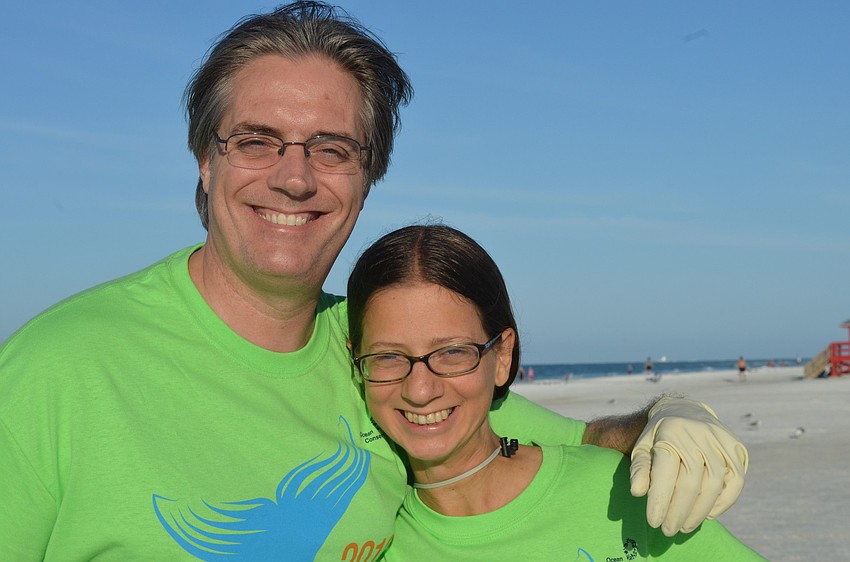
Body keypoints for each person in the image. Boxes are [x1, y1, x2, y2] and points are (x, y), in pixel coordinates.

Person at [0, 2, 746, 559]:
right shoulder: (60, 366)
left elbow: (574, 441)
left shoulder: (380, 362)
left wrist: (671, 416)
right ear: (205, 159)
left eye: (332, 149)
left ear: (367, 178)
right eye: (257, 141)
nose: (294, 178)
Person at [347, 224, 764, 560]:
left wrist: (674, 409)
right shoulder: (378, 547)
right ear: (356, 360)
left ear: (503, 356)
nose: (420, 390)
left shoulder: (619, 491)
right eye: (387, 357)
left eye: (454, 353)